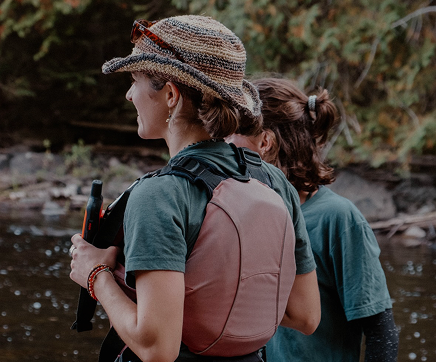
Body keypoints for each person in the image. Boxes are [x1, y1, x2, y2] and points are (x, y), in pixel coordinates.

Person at [69, 16, 320, 362]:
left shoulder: (158, 196)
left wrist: (95, 275)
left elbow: (157, 348)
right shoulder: (275, 182)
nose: (129, 95)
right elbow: (306, 315)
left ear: (170, 94)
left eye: (135, 81)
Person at [226, 77, 399, 362]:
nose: (224, 143)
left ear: (265, 142)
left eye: (231, 133)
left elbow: (381, 331)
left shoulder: (339, 219)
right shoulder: (246, 213)